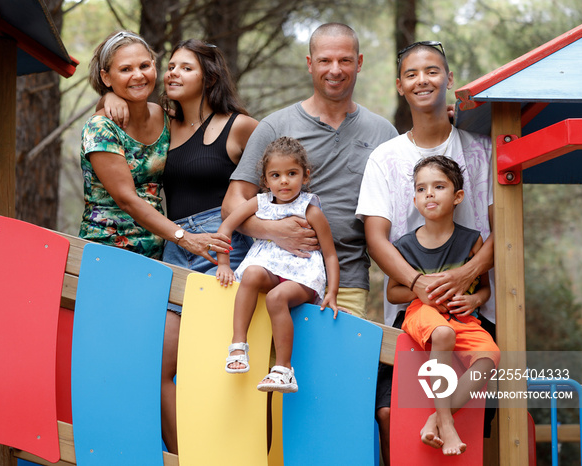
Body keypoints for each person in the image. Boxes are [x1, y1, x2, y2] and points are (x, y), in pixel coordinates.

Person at [79, 31, 231, 454]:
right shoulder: (100, 125)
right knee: (118, 362)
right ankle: (114, 450)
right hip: (111, 254)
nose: (138, 74)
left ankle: (178, 454)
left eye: (144, 65)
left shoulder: (166, 115)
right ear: (106, 77)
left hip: (158, 256)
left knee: (159, 362)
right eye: (124, 69)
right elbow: (127, 198)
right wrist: (186, 237)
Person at [355, 41, 495, 465]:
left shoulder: (480, 149)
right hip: (410, 315)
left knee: (482, 416)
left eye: (433, 71)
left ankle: (443, 421)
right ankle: (437, 422)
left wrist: (466, 275)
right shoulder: (385, 157)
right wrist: (417, 283)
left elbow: (502, 227)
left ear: (449, 79)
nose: (423, 80)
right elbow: (375, 237)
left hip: (471, 311)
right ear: (400, 85)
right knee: (389, 412)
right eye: (412, 74)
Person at [222, 23, 398, 319]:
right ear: (309, 64)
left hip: (347, 281)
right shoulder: (275, 126)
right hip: (279, 274)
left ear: (360, 62)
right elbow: (232, 202)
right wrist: (273, 230)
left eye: (345, 60)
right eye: (325, 60)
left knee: (337, 366)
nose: (335, 70)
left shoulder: (383, 133)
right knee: (277, 365)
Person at [387, 155, 499, 455]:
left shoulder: (471, 241)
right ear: (414, 199)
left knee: (490, 356)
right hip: (421, 315)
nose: (429, 194)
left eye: (438, 186)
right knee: (443, 335)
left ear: (457, 196)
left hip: (463, 319)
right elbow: (393, 293)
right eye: (421, 189)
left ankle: (436, 417)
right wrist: (419, 293)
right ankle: (447, 425)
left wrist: (473, 299)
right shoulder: (405, 246)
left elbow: (485, 289)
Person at [216, 137, 339, 393]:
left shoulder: (310, 210)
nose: (284, 181)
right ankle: (238, 345)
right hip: (270, 270)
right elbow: (226, 226)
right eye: (276, 175)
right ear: (265, 180)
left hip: (301, 277)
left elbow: (329, 255)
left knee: (276, 298)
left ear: (305, 176)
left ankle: (284, 370)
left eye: (291, 173)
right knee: (250, 274)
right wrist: (224, 264)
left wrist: (332, 293)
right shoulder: (259, 203)